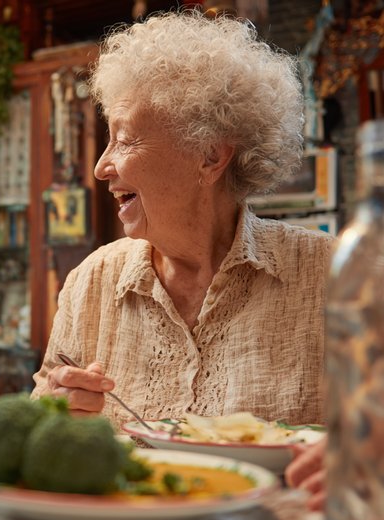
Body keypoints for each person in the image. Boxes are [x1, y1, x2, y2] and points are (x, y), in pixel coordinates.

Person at [32, 11, 333, 431]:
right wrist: (53, 415)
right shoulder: (91, 284)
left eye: (125, 140)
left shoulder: (333, 277)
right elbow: (37, 436)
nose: (102, 167)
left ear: (209, 156)